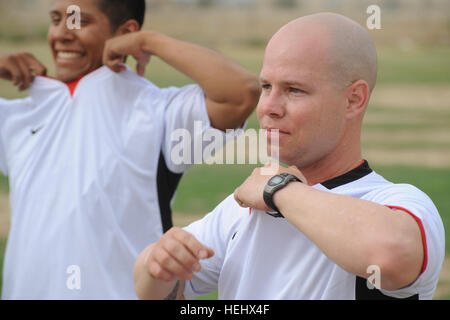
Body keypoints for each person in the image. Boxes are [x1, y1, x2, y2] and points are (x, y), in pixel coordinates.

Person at [134, 12, 445, 300]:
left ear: (354, 99)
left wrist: (279, 189)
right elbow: (160, 290)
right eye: (266, 86)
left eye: (294, 90)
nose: (269, 106)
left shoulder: (395, 203)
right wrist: (157, 264)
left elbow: (393, 255)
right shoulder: (243, 208)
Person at [0, 0, 259, 299]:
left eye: (79, 21)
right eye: (56, 19)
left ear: (126, 32)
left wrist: (151, 42)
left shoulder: (161, 113)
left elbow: (241, 93)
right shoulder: (19, 117)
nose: (61, 33)